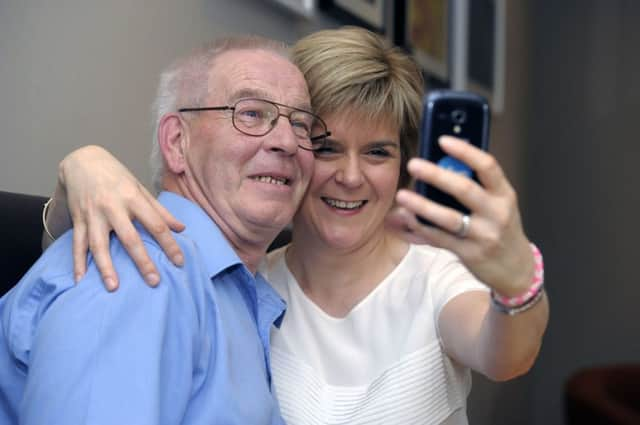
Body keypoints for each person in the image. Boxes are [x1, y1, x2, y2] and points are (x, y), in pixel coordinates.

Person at [42, 27, 549, 424]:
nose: (350, 177)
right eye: (326, 146)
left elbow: (506, 355)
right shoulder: (243, 281)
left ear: (402, 168)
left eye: (377, 152)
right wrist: (78, 173)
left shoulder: (435, 276)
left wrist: (516, 281)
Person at [0, 35, 329, 424]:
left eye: (302, 124)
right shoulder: (142, 266)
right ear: (177, 142)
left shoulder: (238, 292)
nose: (287, 141)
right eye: (252, 114)